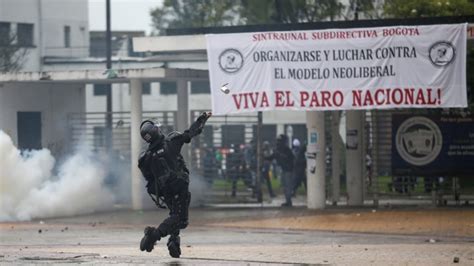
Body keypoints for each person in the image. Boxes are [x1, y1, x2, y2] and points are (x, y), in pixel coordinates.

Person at [137, 111, 212, 257]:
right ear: (156, 131)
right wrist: (202, 118)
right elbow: (191, 132)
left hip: (165, 191)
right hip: (179, 185)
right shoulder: (171, 141)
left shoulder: (146, 157)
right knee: (180, 219)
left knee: (174, 214)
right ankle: (154, 235)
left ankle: (174, 241)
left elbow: (149, 179)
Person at [266, 134, 294, 207]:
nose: (278, 143)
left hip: (288, 170)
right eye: (278, 141)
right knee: (284, 186)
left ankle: (289, 202)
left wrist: (280, 155)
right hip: (284, 169)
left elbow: (291, 159)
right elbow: (271, 157)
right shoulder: (278, 150)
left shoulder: (287, 150)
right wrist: (263, 156)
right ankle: (288, 201)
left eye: (280, 141)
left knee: (287, 186)